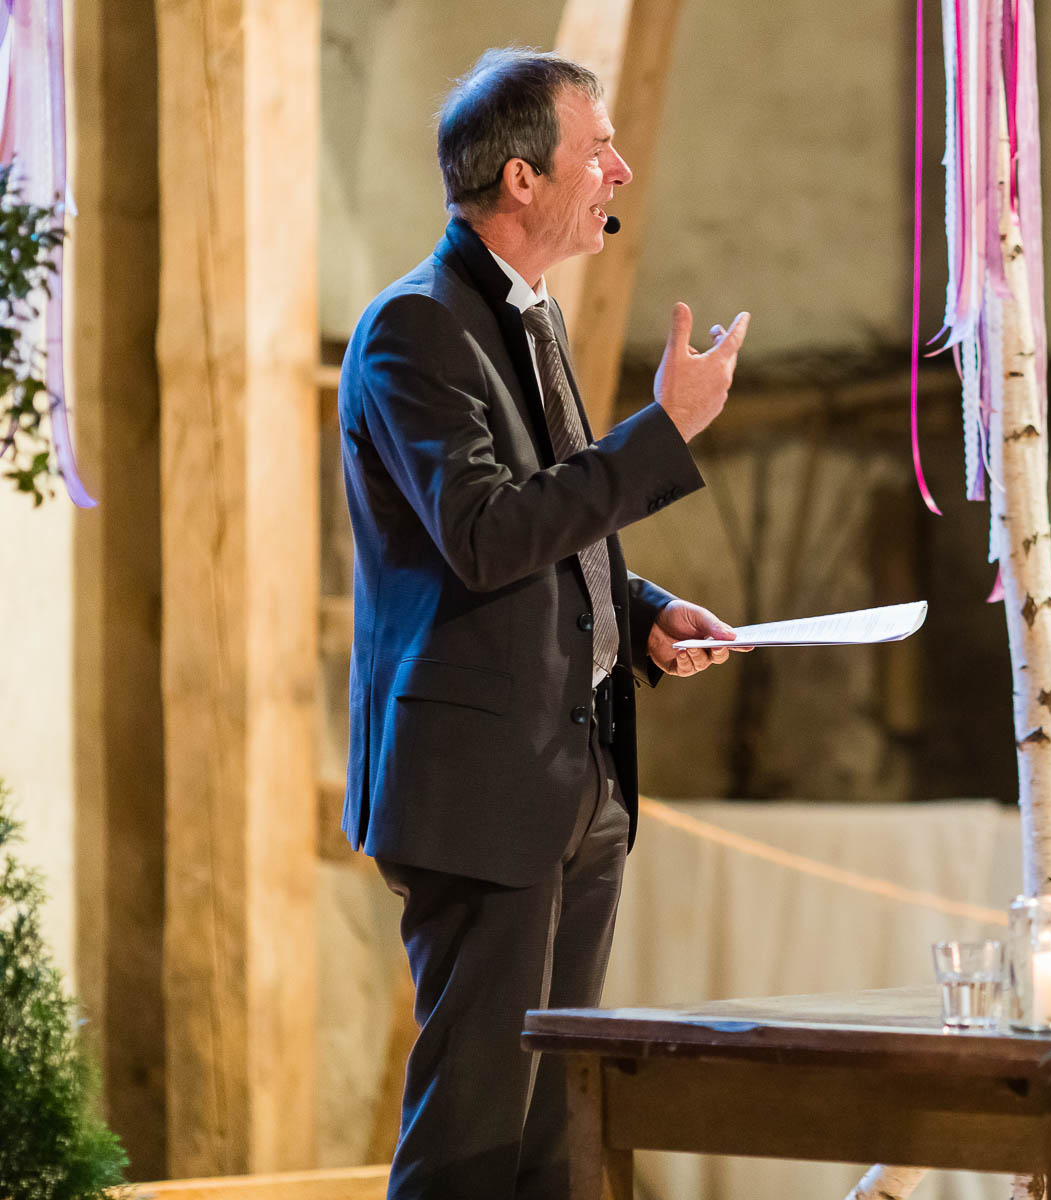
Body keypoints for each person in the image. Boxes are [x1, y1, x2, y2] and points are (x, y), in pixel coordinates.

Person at [336, 47, 749, 1200]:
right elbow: (483, 534)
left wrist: (648, 613)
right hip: (483, 787)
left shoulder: (530, 318)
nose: (618, 168)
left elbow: (553, 535)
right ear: (522, 178)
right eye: (598, 146)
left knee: (552, 1149)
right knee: (471, 1144)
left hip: (577, 781)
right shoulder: (415, 328)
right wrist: (660, 433)